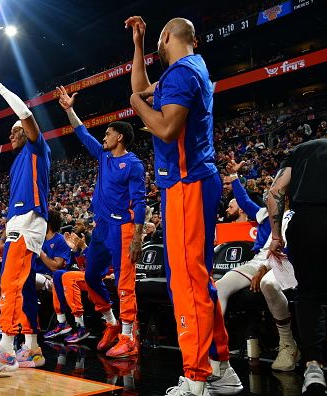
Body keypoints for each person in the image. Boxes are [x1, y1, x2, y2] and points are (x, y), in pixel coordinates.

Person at [127, 16, 241, 395]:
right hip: (192, 180)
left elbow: (164, 128)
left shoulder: (181, 74)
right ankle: (221, 367)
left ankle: (195, 377)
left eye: (155, 39)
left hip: (185, 182)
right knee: (200, 279)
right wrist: (139, 43)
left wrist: (133, 105)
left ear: (168, 38)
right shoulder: (193, 68)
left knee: (188, 282)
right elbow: (142, 86)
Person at [56, 85, 146, 358]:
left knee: (124, 283)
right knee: (92, 276)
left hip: (124, 229)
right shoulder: (104, 156)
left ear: (119, 136)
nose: (103, 137)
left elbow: (140, 203)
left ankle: (129, 338)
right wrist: (70, 109)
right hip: (102, 228)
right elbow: (82, 133)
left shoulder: (134, 165)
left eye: (107, 133)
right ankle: (110, 322)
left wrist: (139, 237)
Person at [0, 80, 51, 372]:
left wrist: (0, 88)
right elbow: (12, 210)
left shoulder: (37, 148)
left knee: (10, 284)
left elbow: (26, 116)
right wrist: (3, 238)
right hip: (18, 224)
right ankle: (32, 349)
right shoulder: (18, 163)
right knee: (24, 286)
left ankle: (5, 349)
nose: (10, 134)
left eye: (15, 130)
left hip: (30, 221)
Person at [216, 160, 299, 372]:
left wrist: (267, 269)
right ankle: (215, 349)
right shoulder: (265, 214)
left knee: (269, 284)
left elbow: (294, 251)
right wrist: (234, 177)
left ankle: (288, 344)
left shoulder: (297, 216)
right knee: (221, 286)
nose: (271, 194)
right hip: (257, 262)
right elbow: (243, 200)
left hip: (286, 263)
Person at [266, 139, 327, 395]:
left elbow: (275, 191)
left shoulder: (303, 149)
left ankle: (313, 367)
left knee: (309, 296)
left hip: (308, 224)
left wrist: (277, 236)